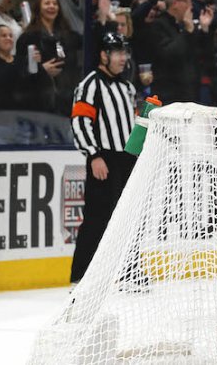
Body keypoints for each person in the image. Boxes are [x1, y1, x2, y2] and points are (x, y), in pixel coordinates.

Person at [69, 32, 137, 284]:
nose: (123, 58)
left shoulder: (127, 87)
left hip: (127, 160)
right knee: (97, 219)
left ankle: (128, 274)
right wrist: (93, 154)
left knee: (128, 218)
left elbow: (132, 125)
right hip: (103, 159)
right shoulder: (90, 84)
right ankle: (81, 278)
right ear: (103, 55)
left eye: (125, 52)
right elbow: (80, 122)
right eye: (118, 52)